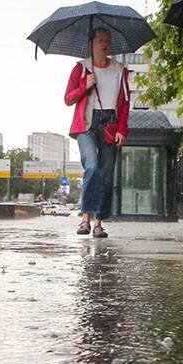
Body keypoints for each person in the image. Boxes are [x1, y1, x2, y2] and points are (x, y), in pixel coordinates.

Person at [64, 28, 130, 238]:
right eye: (100, 40)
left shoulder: (120, 70)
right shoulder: (81, 69)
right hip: (86, 124)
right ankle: (85, 219)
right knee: (91, 166)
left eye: (107, 40)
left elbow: (126, 103)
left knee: (106, 175)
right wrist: (86, 84)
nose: (105, 44)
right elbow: (68, 99)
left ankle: (99, 222)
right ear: (91, 43)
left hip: (110, 123)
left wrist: (122, 129)